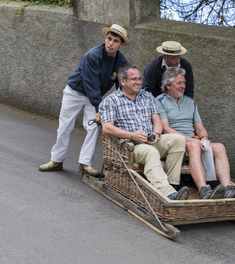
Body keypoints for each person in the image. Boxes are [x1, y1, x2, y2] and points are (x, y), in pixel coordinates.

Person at [39, 24, 130, 176]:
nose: (110, 43)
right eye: (109, 39)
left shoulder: (121, 61)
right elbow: (91, 83)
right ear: (105, 38)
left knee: (94, 127)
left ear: (121, 45)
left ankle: (85, 164)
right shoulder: (92, 55)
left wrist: (123, 105)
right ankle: (56, 160)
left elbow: (121, 85)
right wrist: (99, 109)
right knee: (65, 126)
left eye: (115, 41)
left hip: (93, 97)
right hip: (75, 92)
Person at [155, 67, 235, 199]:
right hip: (175, 145)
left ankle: (228, 189)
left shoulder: (190, 102)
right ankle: (204, 190)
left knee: (219, 147)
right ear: (168, 85)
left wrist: (205, 138)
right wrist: (193, 141)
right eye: (179, 83)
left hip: (194, 142)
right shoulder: (159, 101)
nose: (183, 86)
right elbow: (166, 129)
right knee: (194, 146)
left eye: (184, 83)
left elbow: (199, 128)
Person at [99, 64, 189, 200]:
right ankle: (167, 192)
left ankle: (173, 185)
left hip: (150, 140)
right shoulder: (111, 100)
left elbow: (157, 121)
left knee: (178, 140)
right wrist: (132, 135)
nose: (138, 82)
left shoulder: (147, 96)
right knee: (150, 152)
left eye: (139, 78)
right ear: (122, 81)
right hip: (130, 146)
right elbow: (107, 128)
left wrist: (157, 134)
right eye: (134, 79)